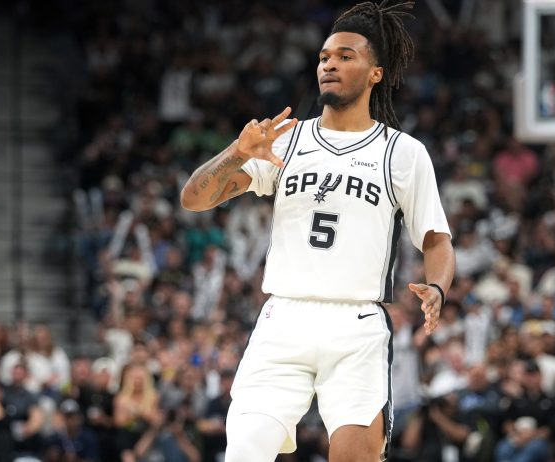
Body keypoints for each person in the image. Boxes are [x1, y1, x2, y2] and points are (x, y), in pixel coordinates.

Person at [180, 2, 455, 460]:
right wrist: (235, 152)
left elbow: (436, 240)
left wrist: (438, 288)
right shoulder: (286, 140)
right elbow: (194, 199)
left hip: (357, 325)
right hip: (283, 318)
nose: (330, 63)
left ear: (375, 73)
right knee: (245, 452)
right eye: (325, 56)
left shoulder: (403, 153)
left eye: (346, 56)